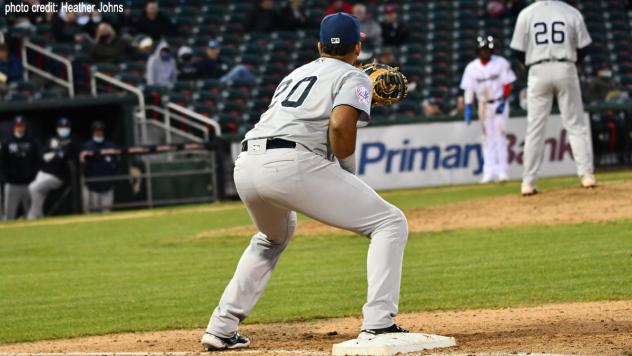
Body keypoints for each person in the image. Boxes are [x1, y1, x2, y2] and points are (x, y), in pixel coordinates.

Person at [201, 12, 409, 351]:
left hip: (247, 162)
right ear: (358, 46)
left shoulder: (295, 73)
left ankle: (221, 326)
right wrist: (348, 169)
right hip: (290, 164)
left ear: (319, 46)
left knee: (273, 237)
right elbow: (340, 127)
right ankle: (379, 323)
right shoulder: (356, 77)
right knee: (390, 222)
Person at [510, 0, 595, 195]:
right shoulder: (571, 12)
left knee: (535, 128)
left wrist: (533, 64)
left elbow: (517, 51)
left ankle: (528, 183)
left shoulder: (527, 13)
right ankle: (586, 175)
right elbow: (584, 48)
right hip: (566, 65)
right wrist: (571, 63)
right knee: (575, 124)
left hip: (538, 69)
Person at [460, 36, 516, 183]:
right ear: (479, 51)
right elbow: (469, 90)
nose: (486, 52)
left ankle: (502, 171)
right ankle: (489, 172)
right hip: (483, 105)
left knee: (500, 137)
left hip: (499, 103)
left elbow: (508, 84)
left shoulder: (501, 63)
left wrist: (504, 101)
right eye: (483, 50)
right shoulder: (472, 67)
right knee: (487, 139)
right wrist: (468, 106)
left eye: (488, 49)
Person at [28, 117, 79, 219]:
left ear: (69, 128)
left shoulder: (72, 140)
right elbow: (42, 155)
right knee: (38, 195)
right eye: (61, 126)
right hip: (43, 172)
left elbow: (64, 155)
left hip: (57, 176)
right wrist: (50, 154)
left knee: (33, 188)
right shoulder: (52, 139)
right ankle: (38, 216)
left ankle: (33, 216)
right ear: (57, 128)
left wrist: (54, 154)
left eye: (65, 127)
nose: (63, 129)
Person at [0, 116, 40, 220]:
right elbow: (3, 162)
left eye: (21, 126)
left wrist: (33, 177)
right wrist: (7, 178)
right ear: (13, 127)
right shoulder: (7, 143)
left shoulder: (32, 142)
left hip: (29, 184)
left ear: (25, 127)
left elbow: (37, 161)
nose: (19, 128)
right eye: (17, 126)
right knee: (9, 217)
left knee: (31, 216)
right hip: (12, 185)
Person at [81, 121, 118, 213]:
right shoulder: (86, 147)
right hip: (92, 188)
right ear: (93, 132)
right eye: (96, 131)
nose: (98, 133)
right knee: (93, 213)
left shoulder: (110, 146)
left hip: (107, 187)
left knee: (107, 213)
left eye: (100, 131)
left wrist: (113, 181)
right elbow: (83, 167)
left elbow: (117, 165)